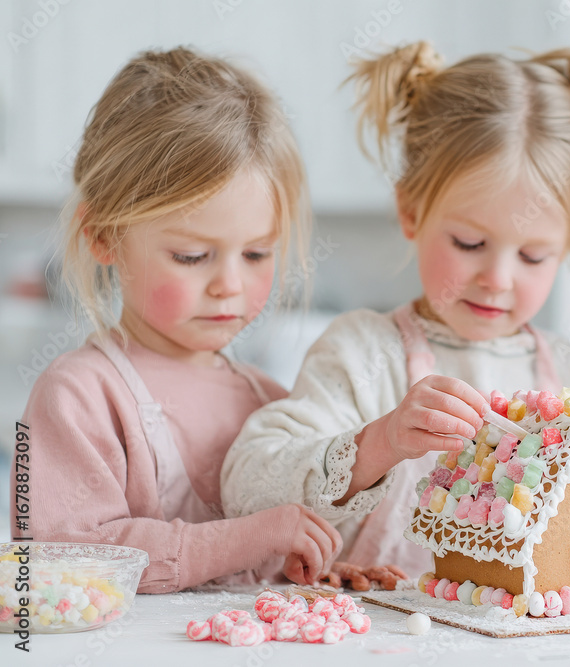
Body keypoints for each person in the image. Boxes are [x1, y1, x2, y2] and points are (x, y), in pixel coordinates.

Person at [222, 42, 570, 576]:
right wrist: (380, 442)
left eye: (533, 256)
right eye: (470, 243)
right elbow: (245, 488)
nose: (497, 279)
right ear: (410, 210)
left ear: (569, 242)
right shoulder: (362, 353)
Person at [14, 47, 341, 593]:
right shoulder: (77, 397)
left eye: (256, 254)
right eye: (192, 256)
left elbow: (278, 568)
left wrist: (315, 565)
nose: (230, 284)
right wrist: (246, 538)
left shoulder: (272, 401)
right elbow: (55, 561)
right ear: (104, 236)